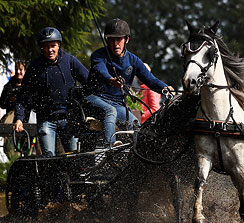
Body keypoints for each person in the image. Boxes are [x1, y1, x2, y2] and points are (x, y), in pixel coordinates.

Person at [86, 19, 171, 147]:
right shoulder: (98, 55)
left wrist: (165, 88)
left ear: (127, 39)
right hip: (95, 99)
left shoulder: (133, 60)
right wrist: (111, 80)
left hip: (117, 103)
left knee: (135, 123)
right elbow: (100, 70)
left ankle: (136, 153)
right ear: (107, 40)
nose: (115, 44)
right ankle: (111, 145)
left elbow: (151, 80)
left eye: (119, 39)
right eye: (111, 39)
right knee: (111, 111)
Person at [13, 27, 89, 156]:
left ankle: (75, 177)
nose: (50, 50)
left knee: (75, 157)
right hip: (46, 118)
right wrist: (19, 118)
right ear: (41, 48)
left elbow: (89, 81)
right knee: (48, 158)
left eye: (53, 45)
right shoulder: (35, 67)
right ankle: (51, 176)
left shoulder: (70, 61)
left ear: (59, 45)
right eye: (46, 46)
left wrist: (84, 104)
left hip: (69, 118)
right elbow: (24, 93)